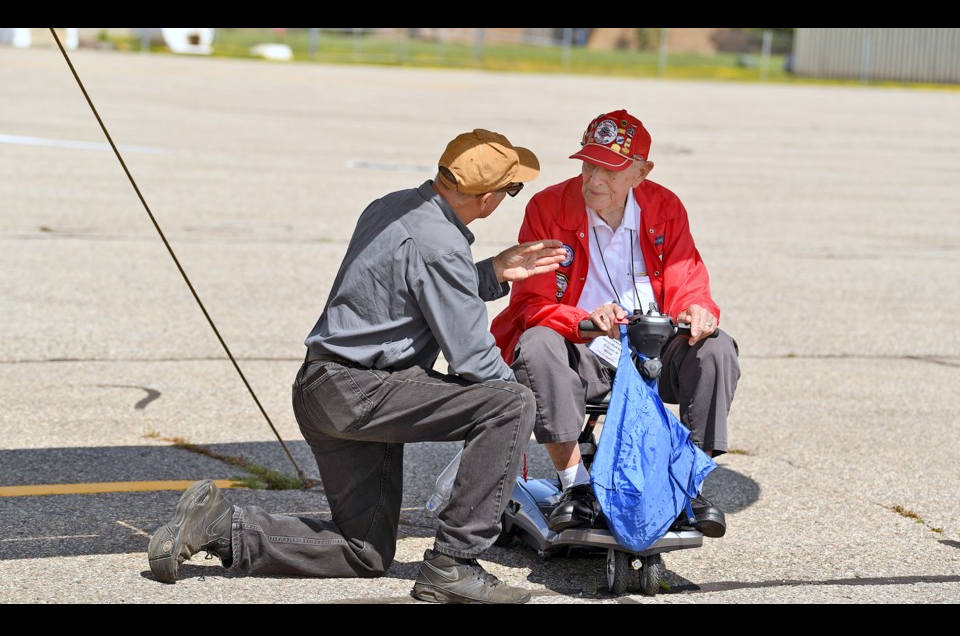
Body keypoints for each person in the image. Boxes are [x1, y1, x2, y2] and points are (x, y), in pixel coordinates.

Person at [148, 129, 568, 604]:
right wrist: (526, 421)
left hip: (324, 386)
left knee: (364, 551)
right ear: (490, 198)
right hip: (362, 391)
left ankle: (220, 528)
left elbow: (415, 285)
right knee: (509, 404)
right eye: (513, 190)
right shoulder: (441, 245)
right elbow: (475, 360)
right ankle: (453, 565)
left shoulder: (391, 206)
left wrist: (489, 273)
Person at [490, 109, 740, 538]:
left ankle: (688, 484)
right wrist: (583, 320)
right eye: (588, 165)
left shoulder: (665, 207)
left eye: (610, 169)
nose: (593, 180)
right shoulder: (548, 207)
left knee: (717, 346)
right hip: (583, 350)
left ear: (642, 172)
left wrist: (697, 309)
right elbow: (533, 302)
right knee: (535, 344)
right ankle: (577, 488)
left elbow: (689, 281)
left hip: (653, 352)